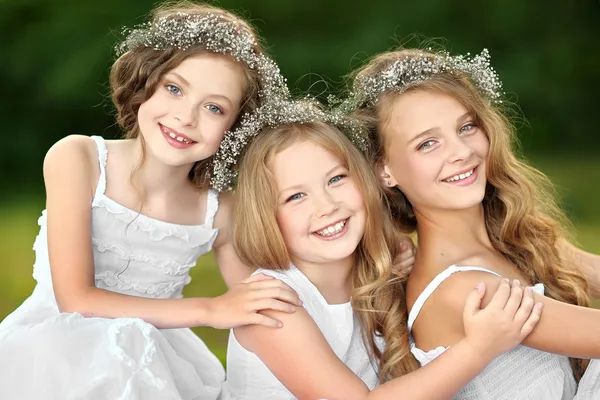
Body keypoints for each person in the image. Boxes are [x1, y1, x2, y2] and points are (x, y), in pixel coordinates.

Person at [0, 2, 300, 399]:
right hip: (54, 352)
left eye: (213, 107)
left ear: (235, 128)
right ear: (145, 81)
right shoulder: (78, 159)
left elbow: (260, 305)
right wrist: (211, 310)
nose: (185, 117)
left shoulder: (219, 211)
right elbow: (77, 299)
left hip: (158, 357)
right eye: (174, 88)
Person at [223, 98, 543, 400]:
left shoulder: (378, 267)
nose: (327, 206)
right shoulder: (272, 307)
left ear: (365, 179)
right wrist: (478, 348)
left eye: (336, 179)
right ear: (265, 216)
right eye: (296, 197)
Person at [347, 46, 600, 399]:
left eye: (466, 127)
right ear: (384, 170)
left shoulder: (517, 240)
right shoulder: (463, 289)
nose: (461, 151)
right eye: (428, 144)